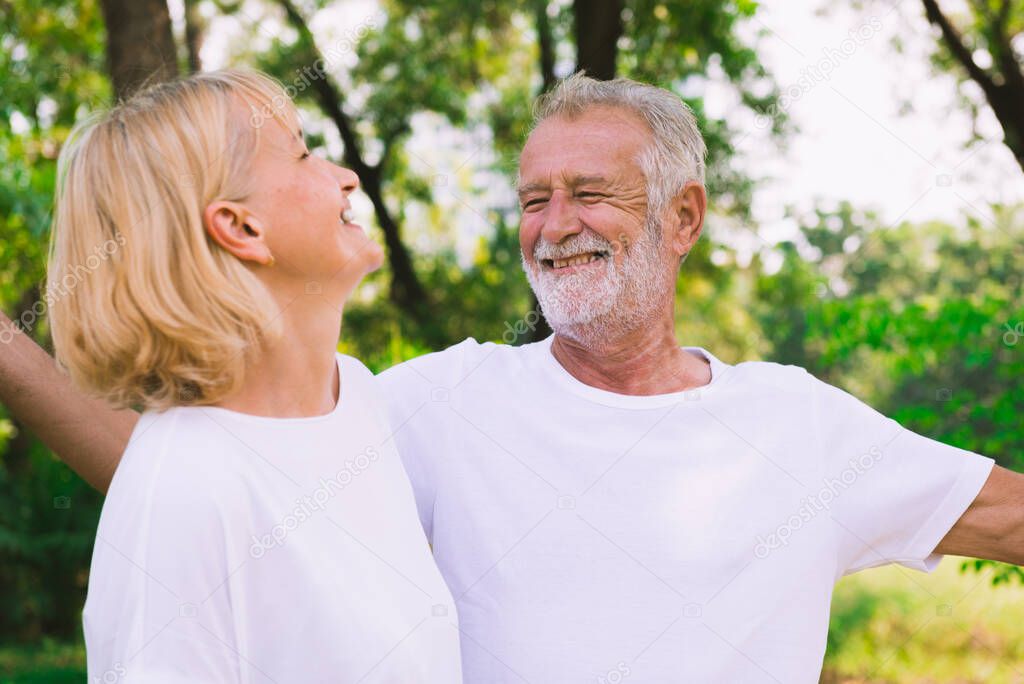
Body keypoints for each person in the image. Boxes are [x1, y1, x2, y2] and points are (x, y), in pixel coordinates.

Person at [2, 73, 1022, 682]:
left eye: (589, 192)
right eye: (533, 198)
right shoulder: (430, 403)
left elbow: (1012, 520)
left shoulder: (798, 426)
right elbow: (203, 480)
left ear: (682, 218)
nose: (554, 223)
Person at [39, 69, 461, 683]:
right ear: (240, 228)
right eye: (302, 153)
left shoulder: (356, 394)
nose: (344, 178)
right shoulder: (181, 494)